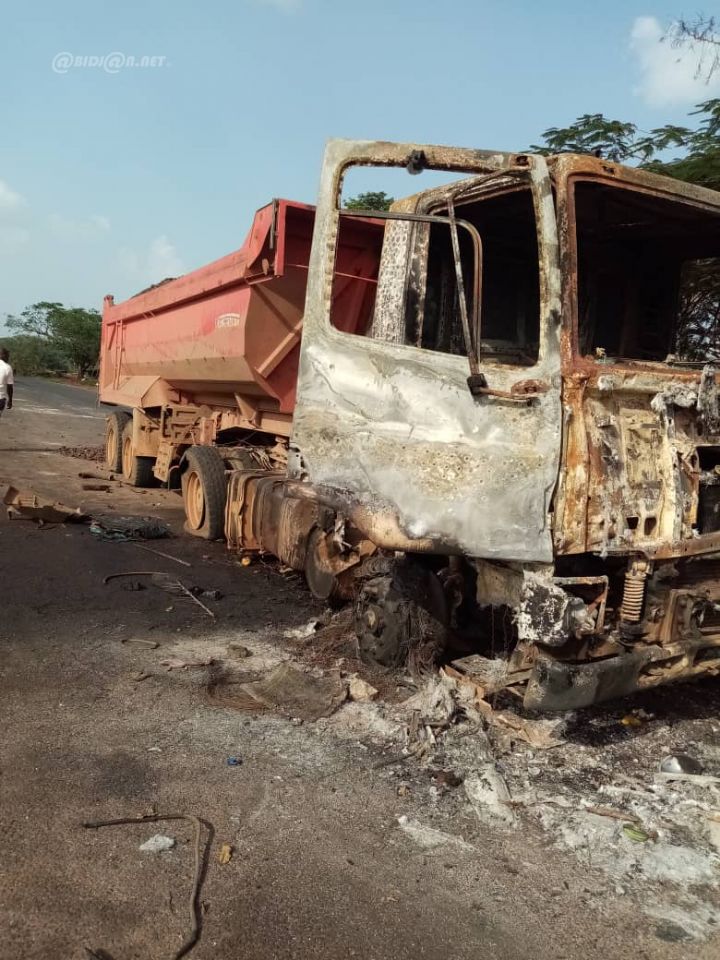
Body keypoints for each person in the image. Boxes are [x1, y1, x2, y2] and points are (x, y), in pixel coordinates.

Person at [0, 348, 14, 419]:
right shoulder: (7, 367)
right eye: (7, 356)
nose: (8, 358)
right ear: (3, 355)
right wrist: (10, 400)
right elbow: (9, 386)